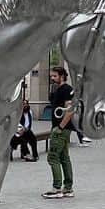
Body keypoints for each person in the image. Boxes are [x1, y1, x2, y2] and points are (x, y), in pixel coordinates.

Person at [42, 66, 76, 199]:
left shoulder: (66, 90)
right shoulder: (59, 90)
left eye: (54, 76)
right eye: (51, 76)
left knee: (53, 157)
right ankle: (67, 188)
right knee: (64, 158)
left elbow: (70, 109)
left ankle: (57, 188)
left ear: (62, 76)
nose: (52, 78)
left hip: (61, 129)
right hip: (62, 128)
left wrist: (60, 127)